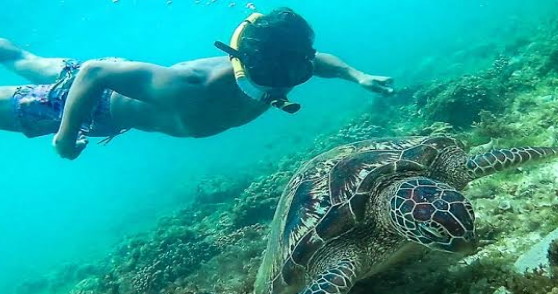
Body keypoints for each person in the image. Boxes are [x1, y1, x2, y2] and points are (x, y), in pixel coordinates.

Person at [0, 7, 394, 160]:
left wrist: (357, 75)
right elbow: (94, 74)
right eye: (269, 85)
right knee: (24, 69)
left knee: (24, 60)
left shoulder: (287, 66)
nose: (281, 90)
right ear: (241, 60)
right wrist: (65, 136)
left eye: (296, 74)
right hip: (92, 103)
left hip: (125, 78)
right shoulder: (185, 84)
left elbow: (318, 61)